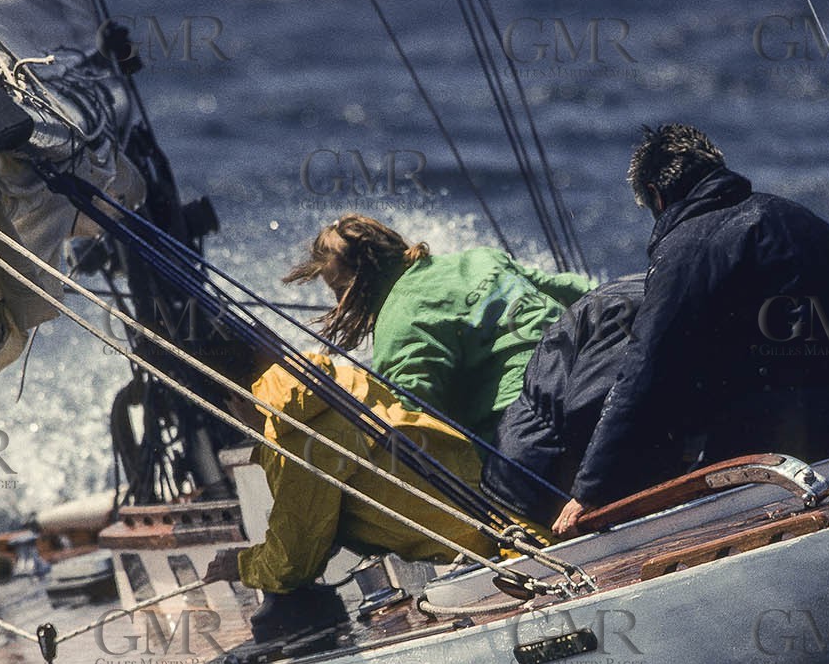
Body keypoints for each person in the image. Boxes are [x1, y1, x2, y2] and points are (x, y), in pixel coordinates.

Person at [554, 124, 829, 536]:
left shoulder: (686, 247)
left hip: (772, 454)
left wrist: (590, 490)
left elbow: (645, 370)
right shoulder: (806, 222)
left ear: (657, 196)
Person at [203, 352, 495, 640]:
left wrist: (242, 565)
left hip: (483, 558)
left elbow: (293, 561)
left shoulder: (289, 432)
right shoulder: (342, 379)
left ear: (237, 398)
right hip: (501, 518)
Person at [283, 214, 592, 445]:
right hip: (590, 372)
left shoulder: (400, 320)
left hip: (532, 423)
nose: (340, 304)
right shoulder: (479, 257)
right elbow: (574, 289)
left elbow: (413, 424)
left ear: (362, 282)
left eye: (341, 290)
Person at [483, 274, 644, 525]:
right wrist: (592, 489)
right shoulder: (642, 313)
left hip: (520, 442)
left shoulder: (629, 289)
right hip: (542, 480)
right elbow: (586, 412)